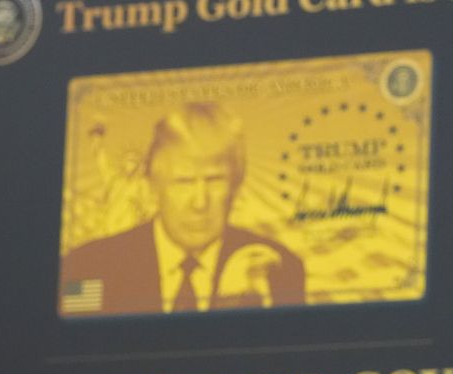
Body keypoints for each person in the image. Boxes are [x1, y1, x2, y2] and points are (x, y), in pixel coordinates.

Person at [60, 101, 305, 315]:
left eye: (214, 180)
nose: (200, 203)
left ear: (236, 186)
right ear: (153, 186)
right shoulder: (88, 267)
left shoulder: (279, 268)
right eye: (183, 181)